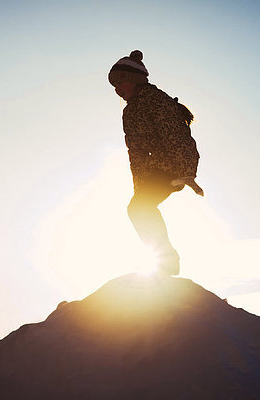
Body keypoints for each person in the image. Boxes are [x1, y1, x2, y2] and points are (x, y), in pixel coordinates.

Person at [108, 50, 203, 276]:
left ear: (134, 81)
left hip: (174, 166)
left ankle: (165, 261)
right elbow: (136, 152)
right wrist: (139, 185)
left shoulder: (156, 101)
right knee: (138, 207)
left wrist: (186, 171)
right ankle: (163, 261)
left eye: (121, 83)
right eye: (114, 86)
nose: (117, 90)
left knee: (139, 208)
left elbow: (176, 135)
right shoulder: (130, 112)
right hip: (156, 170)